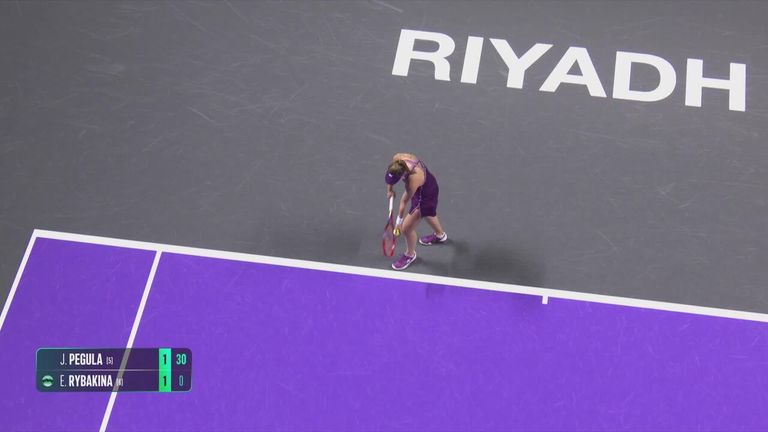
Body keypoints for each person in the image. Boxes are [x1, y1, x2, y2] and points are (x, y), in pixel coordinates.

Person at [385, 153, 448, 270]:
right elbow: (390, 177)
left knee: (406, 228)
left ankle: (410, 255)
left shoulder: (413, 179)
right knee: (428, 213)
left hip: (425, 195)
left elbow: (403, 202)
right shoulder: (398, 159)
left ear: (403, 174)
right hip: (427, 184)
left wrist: (398, 223)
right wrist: (390, 190)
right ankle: (440, 235)